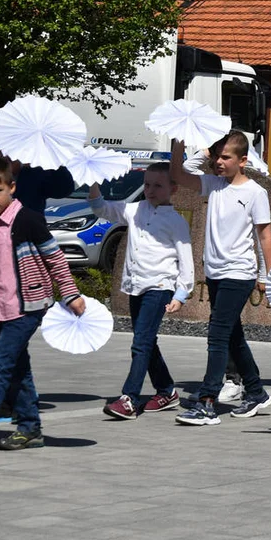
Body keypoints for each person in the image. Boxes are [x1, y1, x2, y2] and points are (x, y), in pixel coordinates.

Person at [170, 132, 271, 424]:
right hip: (215, 271)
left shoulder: (255, 192)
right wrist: (187, 142)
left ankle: (207, 401)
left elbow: (264, 234)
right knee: (232, 337)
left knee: (217, 336)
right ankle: (256, 392)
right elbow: (178, 173)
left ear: (243, 161)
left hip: (239, 273)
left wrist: (269, 274)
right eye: (216, 156)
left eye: (225, 157)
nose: (218, 162)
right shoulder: (213, 184)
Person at [90, 163, 194, 420]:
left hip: (159, 288)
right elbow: (101, 208)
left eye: (158, 185)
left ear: (173, 188)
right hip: (136, 286)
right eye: (147, 184)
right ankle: (167, 390)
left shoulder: (176, 221)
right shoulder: (134, 210)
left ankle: (130, 398)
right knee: (146, 341)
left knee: (141, 343)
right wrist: (92, 181)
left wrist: (181, 295)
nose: (150, 190)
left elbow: (187, 262)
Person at [0, 156, 85, 449]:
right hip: (0, 308)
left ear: (12, 187)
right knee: (17, 367)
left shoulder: (27, 219)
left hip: (27, 306)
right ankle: (30, 428)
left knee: (0, 364)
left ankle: (27, 425)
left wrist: (70, 293)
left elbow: (55, 258)